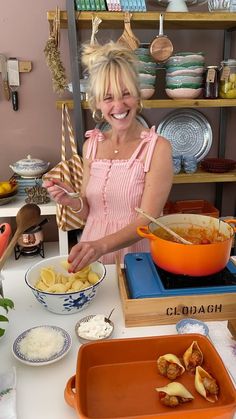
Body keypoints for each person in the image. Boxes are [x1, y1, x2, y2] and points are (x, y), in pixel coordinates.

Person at [43, 41, 173, 272]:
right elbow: (88, 212)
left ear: (138, 96)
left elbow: (148, 221)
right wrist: (71, 201)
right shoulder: (92, 145)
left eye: (126, 94)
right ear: (97, 104)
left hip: (137, 259)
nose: (118, 105)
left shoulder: (157, 148)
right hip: (92, 255)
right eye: (108, 98)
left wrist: (101, 246)